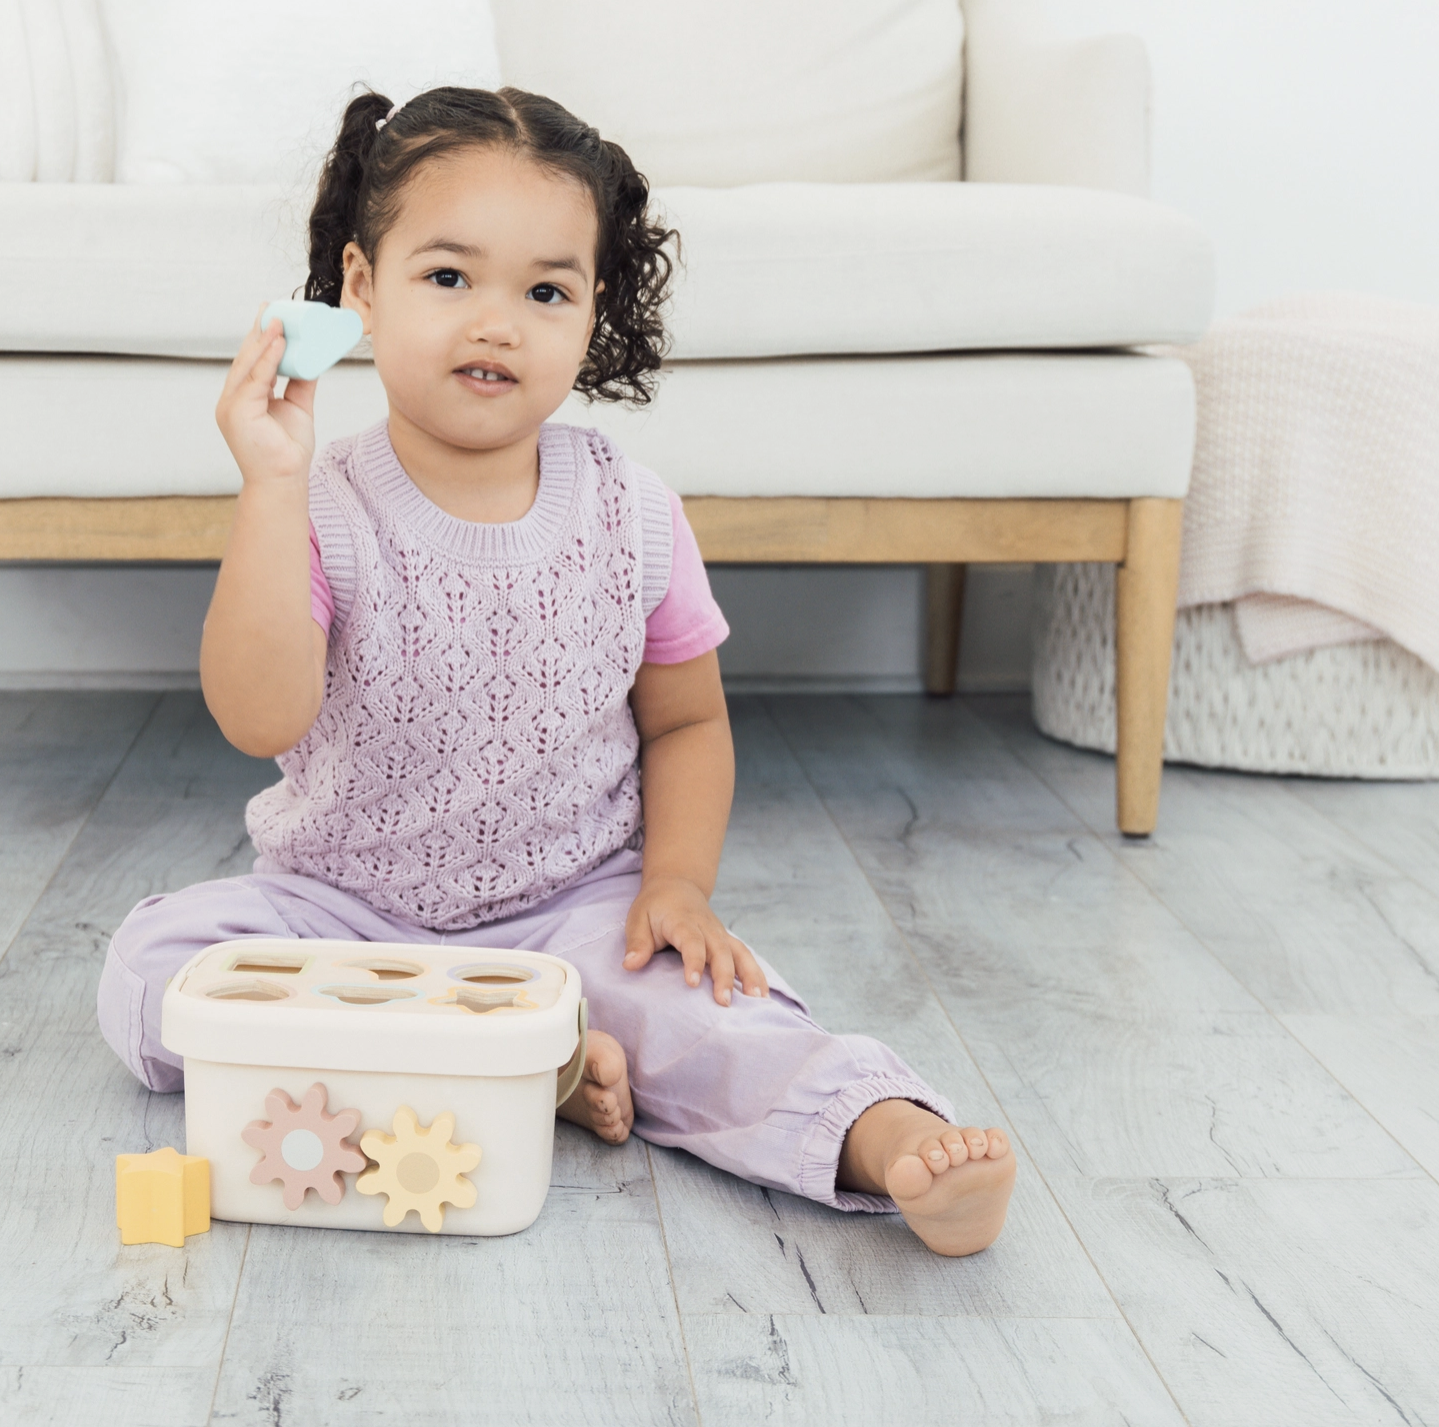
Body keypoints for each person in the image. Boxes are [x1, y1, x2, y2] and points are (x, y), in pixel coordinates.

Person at [98, 85, 1015, 1254]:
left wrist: (673, 887)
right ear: (362, 291)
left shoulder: (634, 512)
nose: (497, 321)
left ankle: (884, 1137)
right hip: (340, 919)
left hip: (571, 922)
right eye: (448, 278)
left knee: (718, 1017)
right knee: (150, 970)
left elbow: (688, 725)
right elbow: (257, 712)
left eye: (545, 291)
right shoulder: (318, 504)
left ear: (593, 315)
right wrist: (270, 485)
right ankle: (532, 1070)